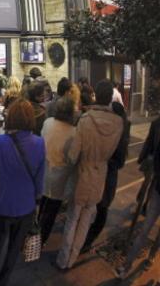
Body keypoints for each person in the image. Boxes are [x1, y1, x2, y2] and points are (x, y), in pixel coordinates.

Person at [56, 80, 124, 270]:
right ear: (110, 98)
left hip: (82, 174)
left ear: (95, 95)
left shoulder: (86, 120)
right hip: (100, 174)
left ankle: (64, 260)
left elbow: (73, 155)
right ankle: (74, 255)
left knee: (73, 218)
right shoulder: (118, 122)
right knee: (86, 219)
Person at [0, 99, 45, 286]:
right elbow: (40, 180)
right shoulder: (40, 143)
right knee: (14, 249)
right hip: (26, 207)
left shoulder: (0, 142)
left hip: (1, 206)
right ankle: (3, 281)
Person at [82, 101, 131, 252]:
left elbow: (119, 160)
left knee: (100, 208)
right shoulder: (118, 128)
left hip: (104, 173)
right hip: (105, 173)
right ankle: (85, 240)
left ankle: (87, 240)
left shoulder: (119, 130)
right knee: (100, 207)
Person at [117, 115, 160, 279]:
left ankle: (151, 256)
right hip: (157, 187)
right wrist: (145, 160)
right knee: (145, 229)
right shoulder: (157, 123)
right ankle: (126, 265)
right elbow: (151, 145)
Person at [38, 96, 77, 245]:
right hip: (59, 177)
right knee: (52, 210)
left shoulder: (48, 123)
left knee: (42, 204)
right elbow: (72, 158)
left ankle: (34, 233)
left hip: (44, 170)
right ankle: (42, 240)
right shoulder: (73, 132)